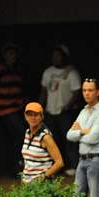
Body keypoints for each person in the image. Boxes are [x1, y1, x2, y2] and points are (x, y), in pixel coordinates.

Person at [66, 77, 99, 197]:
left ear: (97, 92)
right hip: (82, 160)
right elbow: (69, 135)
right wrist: (82, 132)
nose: (86, 93)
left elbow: (93, 139)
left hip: (97, 160)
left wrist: (79, 131)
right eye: (84, 90)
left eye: (90, 90)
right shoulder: (83, 111)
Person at [40, 44, 81, 175]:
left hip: (65, 112)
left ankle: (73, 166)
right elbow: (44, 91)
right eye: (54, 56)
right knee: (52, 140)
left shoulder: (72, 72)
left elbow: (77, 92)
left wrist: (67, 106)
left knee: (69, 139)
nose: (56, 58)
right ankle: (55, 168)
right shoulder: (48, 72)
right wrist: (40, 108)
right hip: (50, 112)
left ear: (64, 57)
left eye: (58, 56)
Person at [0, 43, 24, 177]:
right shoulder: (0, 69)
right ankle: (13, 168)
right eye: (10, 54)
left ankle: (15, 169)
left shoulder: (17, 70)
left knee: (16, 139)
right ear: (5, 56)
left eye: (14, 54)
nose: (13, 57)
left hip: (15, 109)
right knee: (17, 136)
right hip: (4, 110)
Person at [21, 102, 63, 183]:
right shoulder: (27, 133)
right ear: (25, 116)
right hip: (27, 184)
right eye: (30, 115)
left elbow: (59, 162)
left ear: (41, 116)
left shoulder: (45, 137)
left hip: (42, 186)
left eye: (36, 115)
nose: (33, 118)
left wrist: (43, 177)